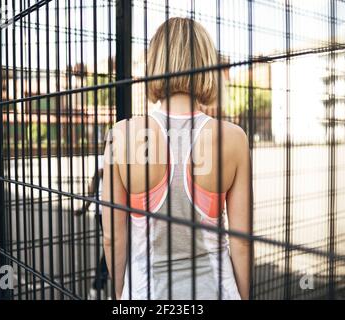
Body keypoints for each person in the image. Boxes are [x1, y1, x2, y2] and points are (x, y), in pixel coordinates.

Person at [102, 17, 251, 300]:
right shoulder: (234, 137)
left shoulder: (121, 135)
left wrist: (123, 293)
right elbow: (242, 243)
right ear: (206, 63)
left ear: (155, 62)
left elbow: (112, 236)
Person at [75, 154, 108, 298]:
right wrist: (85, 207)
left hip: (120, 210)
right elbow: (93, 184)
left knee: (116, 248)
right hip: (104, 211)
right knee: (113, 247)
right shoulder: (104, 158)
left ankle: (99, 286)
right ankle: (97, 286)